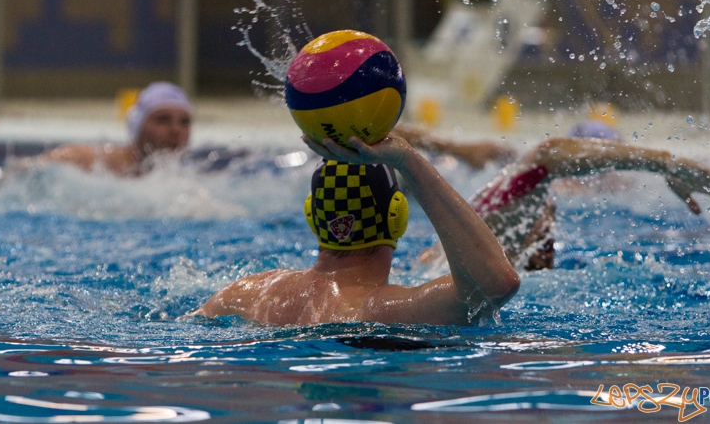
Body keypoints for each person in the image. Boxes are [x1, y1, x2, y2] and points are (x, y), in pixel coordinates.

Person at [194, 134, 521, 326]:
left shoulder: (247, 293)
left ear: (312, 216)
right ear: (398, 216)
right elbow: (497, 283)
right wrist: (409, 160)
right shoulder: (387, 311)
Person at [420, 137, 710, 271]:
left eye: (552, 226)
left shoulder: (459, 251)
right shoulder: (473, 236)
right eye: (543, 218)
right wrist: (666, 163)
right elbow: (547, 155)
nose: (550, 236)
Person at [17, 82, 192, 176]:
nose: (176, 130)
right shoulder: (86, 161)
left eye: (185, 122)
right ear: (137, 125)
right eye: (162, 120)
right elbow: (18, 174)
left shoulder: (180, 185)